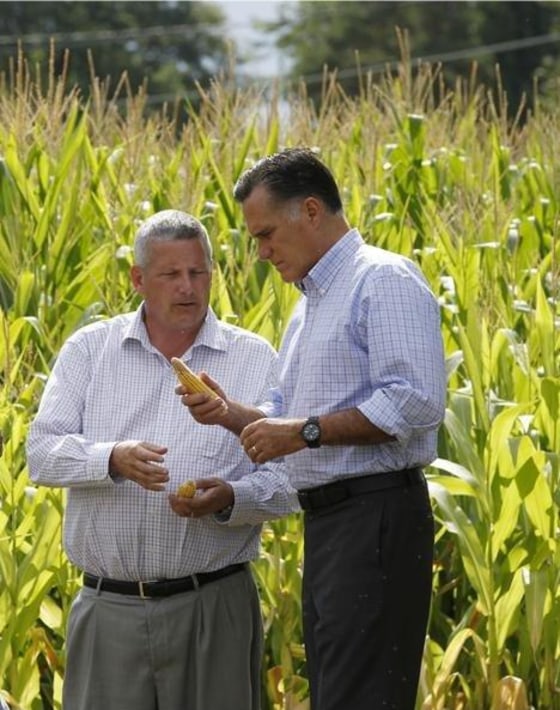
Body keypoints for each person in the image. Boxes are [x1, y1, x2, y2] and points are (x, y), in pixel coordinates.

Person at [179, 148, 447, 710]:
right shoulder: (310, 305)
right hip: (332, 523)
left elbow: (414, 401)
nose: (261, 253)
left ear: (310, 210)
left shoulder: (382, 279)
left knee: (361, 693)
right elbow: (284, 415)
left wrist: (301, 433)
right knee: (336, 690)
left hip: (376, 518)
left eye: (266, 234)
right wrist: (230, 413)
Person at [26, 209, 298, 710]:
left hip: (213, 607)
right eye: (170, 274)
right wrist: (111, 458)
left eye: (198, 272)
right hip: (109, 611)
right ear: (138, 279)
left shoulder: (254, 358)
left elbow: (292, 479)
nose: (187, 287)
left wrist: (232, 498)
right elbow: (41, 454)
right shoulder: (90, 350)